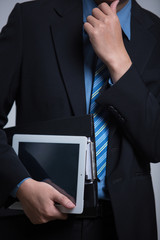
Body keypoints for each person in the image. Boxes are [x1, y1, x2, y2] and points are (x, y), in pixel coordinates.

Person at [0, 0, 159, 239]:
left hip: (126, 225)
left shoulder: (156, 34)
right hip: (37, 220)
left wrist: (120, 63)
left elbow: (156, 145)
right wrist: (20, 185)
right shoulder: (30, 19)